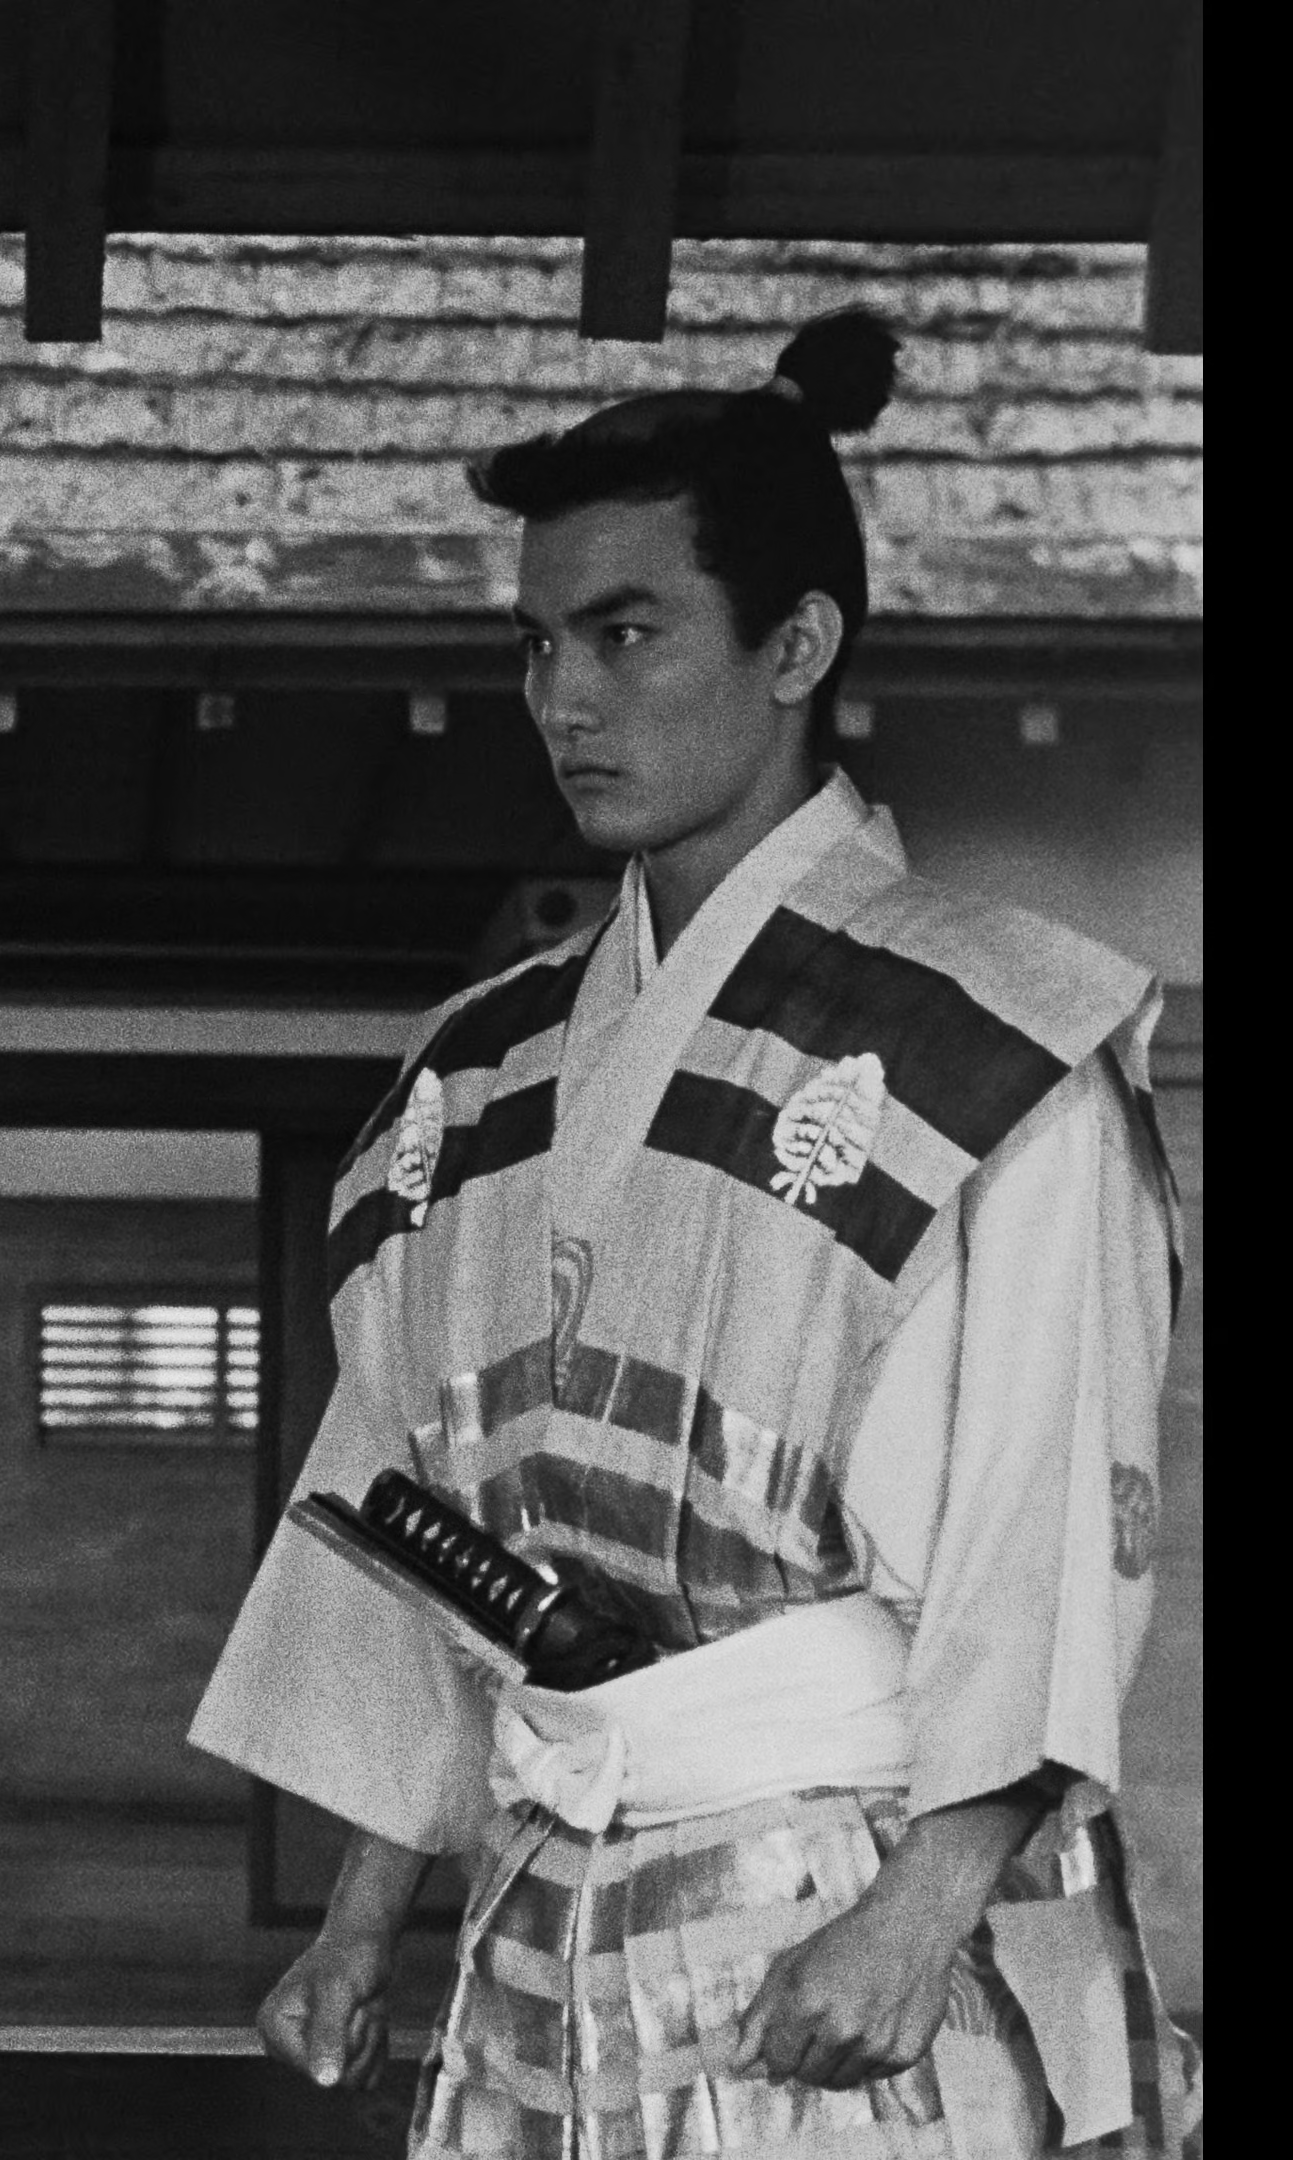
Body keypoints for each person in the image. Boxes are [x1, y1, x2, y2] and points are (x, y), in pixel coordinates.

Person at [187, 309, 1202, 2157]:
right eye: (537, 644)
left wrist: (922, 1914)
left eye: (627, 634)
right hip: (542, 1902)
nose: (563, 702)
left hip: (850, 1900)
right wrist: (360, 1916)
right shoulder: (481, 1069)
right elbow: (396, 1493)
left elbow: (1041, 1535)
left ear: (795, 645)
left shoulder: (995, 1047)